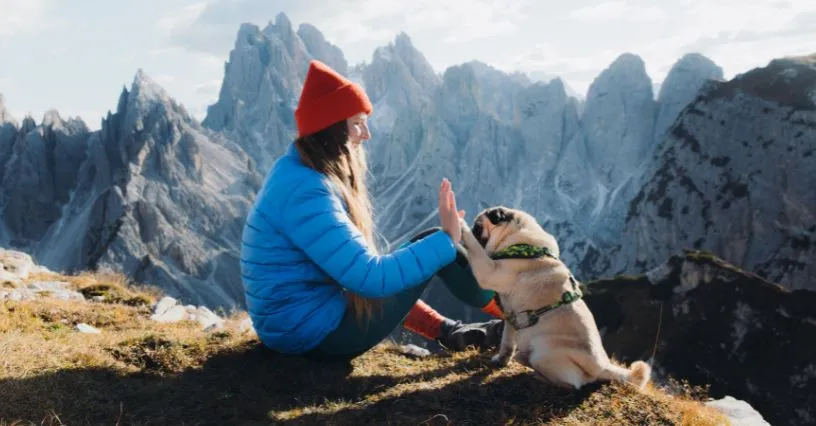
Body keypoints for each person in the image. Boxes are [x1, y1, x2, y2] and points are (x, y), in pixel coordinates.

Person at [241, 60, 504, 359]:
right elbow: (371, 280)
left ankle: (450, 331)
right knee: (442, 247)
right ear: (329, 130)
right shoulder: (306, 192)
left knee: (433, 246)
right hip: (310, 336)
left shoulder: (294, 172)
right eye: (356, 123)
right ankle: (526, 317)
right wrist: (448, 238)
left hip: (295, 325)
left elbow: (358, 280)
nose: (366, 134)